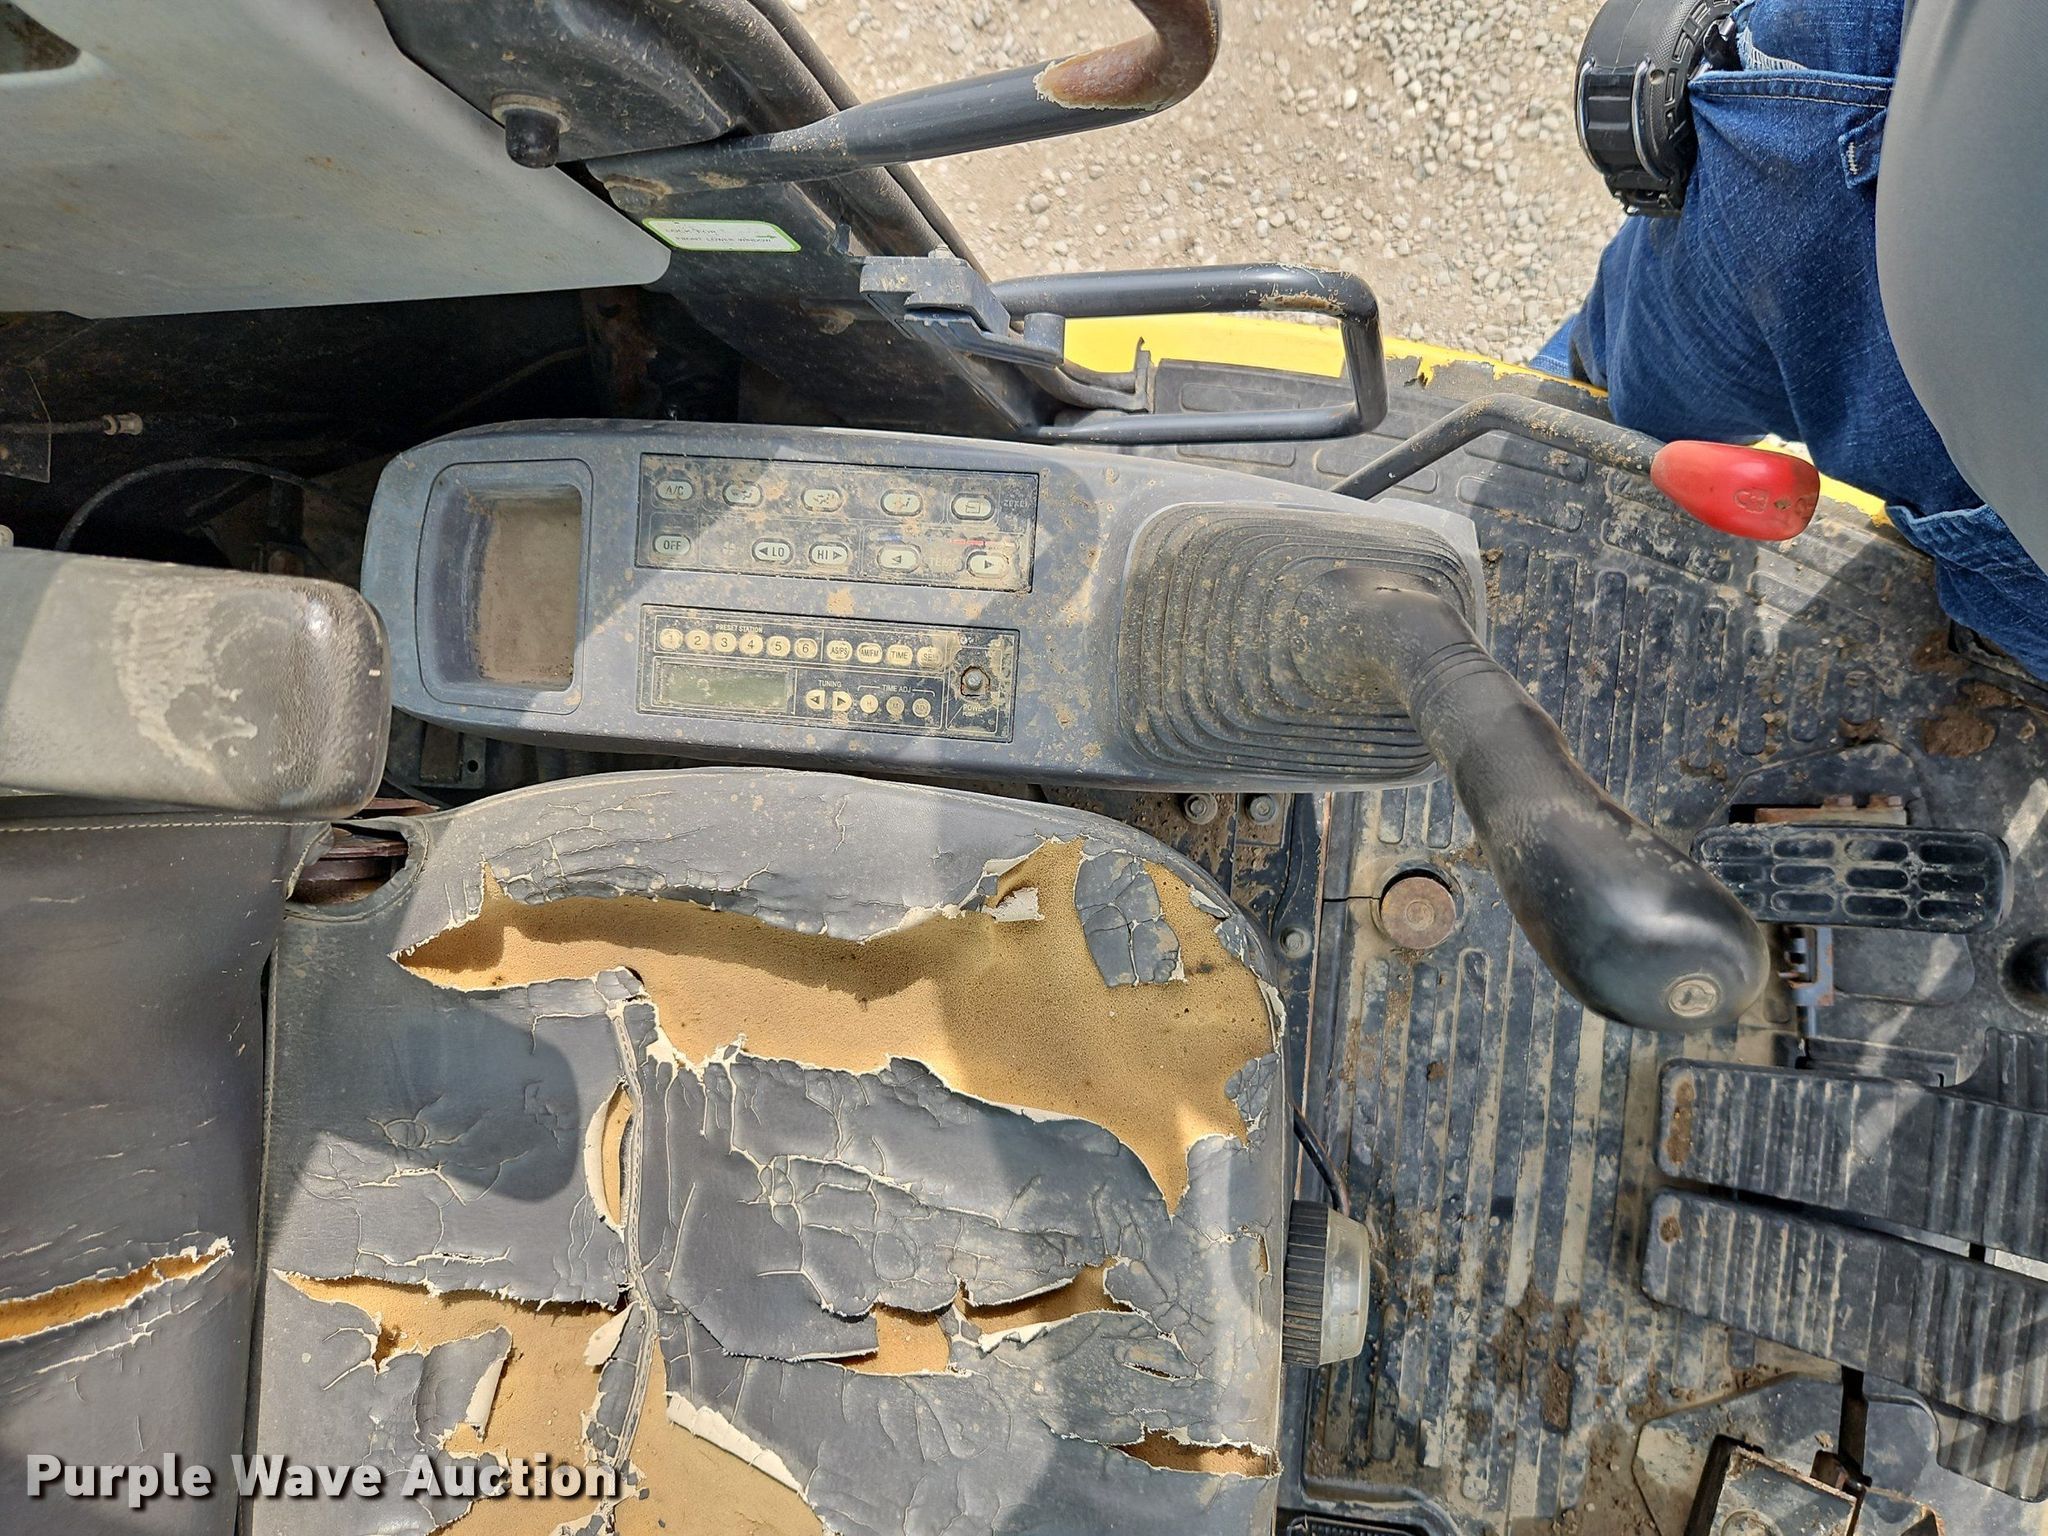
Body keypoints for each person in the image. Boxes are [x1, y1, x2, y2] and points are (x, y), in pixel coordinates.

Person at [1532, 0, 2048, 680]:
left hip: (1863, 72)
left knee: (1633, 365)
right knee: (1626, 381)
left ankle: (1565, 400)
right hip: (1859, 91)